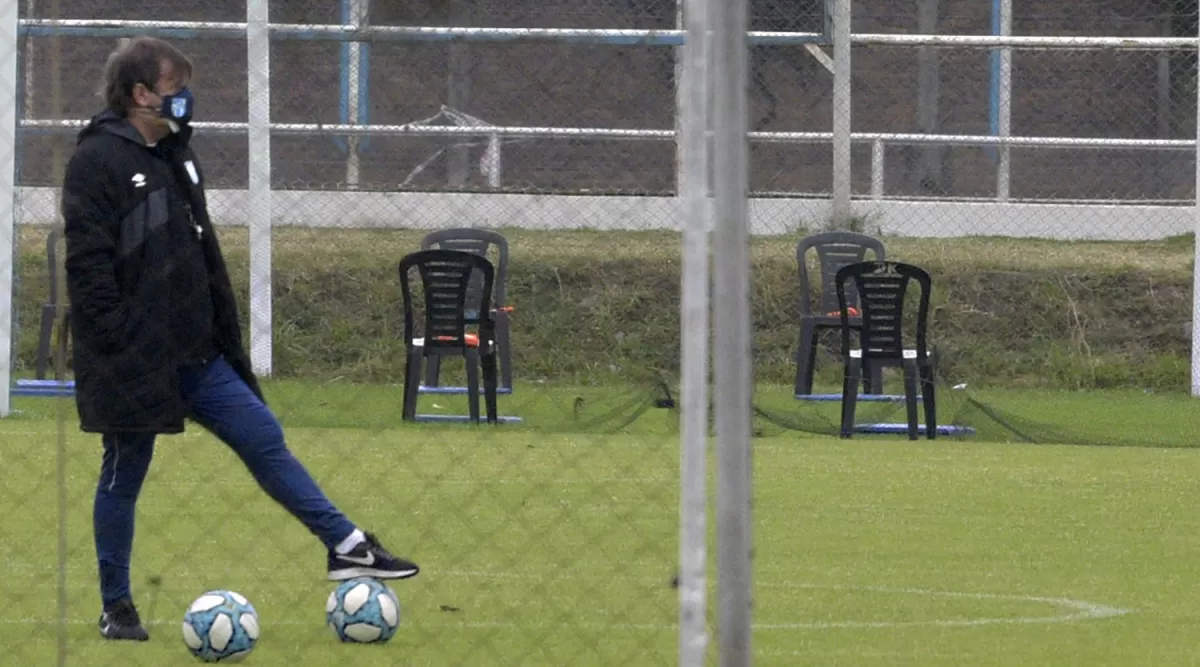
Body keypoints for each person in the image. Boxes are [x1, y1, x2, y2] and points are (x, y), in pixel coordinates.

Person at [60, 37, 420, 642]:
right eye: (175, 90)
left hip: (198, 353)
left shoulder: (177, 153)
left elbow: (195, 254)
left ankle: (347, 546)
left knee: (263, 438)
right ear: (142, 94)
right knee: (124, 473)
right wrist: (120, 342)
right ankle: (116, 605)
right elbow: (89, 271)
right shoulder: (96, 161)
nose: (185, 101)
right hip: (135, 359)